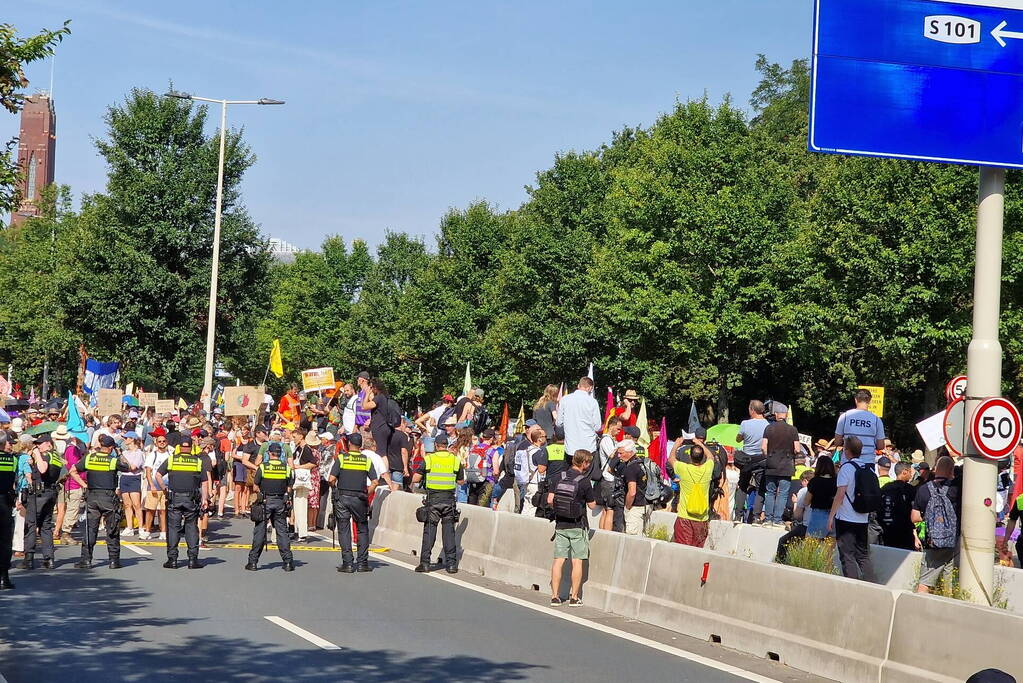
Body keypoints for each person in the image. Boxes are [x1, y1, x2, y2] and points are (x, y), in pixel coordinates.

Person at [69, 434, 129, 569]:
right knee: (112, 528)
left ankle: (86, 560)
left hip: (92, 497)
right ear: (111, 448)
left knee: (90, 529)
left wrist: (84, 485)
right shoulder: (113, 460)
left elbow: (73, 471)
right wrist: (119, 453)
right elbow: (128, 466)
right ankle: (113, 561)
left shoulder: (89, 458)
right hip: (108, 497)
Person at [547, 450, 597, 606]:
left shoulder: (558, 477)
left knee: (558, 561)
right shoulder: (584, 481)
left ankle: (555, 596)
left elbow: (550, 499)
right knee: (577, 562)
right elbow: (592, 505)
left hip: (560, 524)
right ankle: (574, 597)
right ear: (584, 463)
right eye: (588, 463)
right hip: (577, 525)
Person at [412, 432, 465, 573]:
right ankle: (452, 565)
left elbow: (415, 479)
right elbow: (461, 481)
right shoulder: (455, 460)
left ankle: (425, 564)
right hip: (448, 500)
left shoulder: (429, 459)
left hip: (433, 500)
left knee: (429, 532)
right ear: (446, 445)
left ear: (436, 445)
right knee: (449, 533)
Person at [327, 431, 379, 573]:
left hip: (343, 498)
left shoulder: (342, 459)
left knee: (344, 530)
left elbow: (331, 479)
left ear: (349, 444)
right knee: (362, 529)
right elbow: (375, 482)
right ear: (360, 445)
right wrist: (366, 493)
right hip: (359, 499)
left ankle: (348, 563)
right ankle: (362, 563)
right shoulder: (366, 460)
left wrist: (335, 489)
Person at [156, 436, 211, 569]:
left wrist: (164, 489)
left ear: (179, 447)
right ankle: (192, 560)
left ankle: (172, 560)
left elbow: (157, 475)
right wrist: (205, 499)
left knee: (173, 528)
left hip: (174, 497)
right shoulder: (197, 461)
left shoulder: (171, 460)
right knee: (191, 527)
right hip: (191, 499)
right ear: (191, 447)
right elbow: (204, 482)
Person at [827, 436, 875, 581]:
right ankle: (872, 585)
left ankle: (851, 586)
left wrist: (831, 516)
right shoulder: (868, 468)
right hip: (863, 517)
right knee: (862, 555)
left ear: (847, 451)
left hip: (846, 518)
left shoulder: (847, 468)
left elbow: (840, 495)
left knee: (847, 555)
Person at [912, 456, 960, 593]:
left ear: (935, 469)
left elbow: (914, 518)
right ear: (951, 470)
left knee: (925, 582)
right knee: (949, 583)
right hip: (953, 542)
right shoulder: (956, 488)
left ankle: (919, 608)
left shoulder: (923, 489)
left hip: (932, 541)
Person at [246, 442, 296, 572]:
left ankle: (253, 562)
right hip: (280, 501)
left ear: (269, 453)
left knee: (260, 531)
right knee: (282, 532)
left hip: (265, 501)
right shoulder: (287, 468)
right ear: (280, 455)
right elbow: (289, 487)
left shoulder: (263, 467)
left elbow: (256, 485)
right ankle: (288, 562)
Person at [20, 434, 61, 570]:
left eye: (40, 443)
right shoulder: (56, 456)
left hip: (39, 493)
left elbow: (43, 469)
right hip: (51, 492)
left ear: (48, 443)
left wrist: (37, 454)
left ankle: (29, 559)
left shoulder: (45, 455)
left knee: (31, 525)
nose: (37, 446)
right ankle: (48, 559)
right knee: (46, 525)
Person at [669, 441, 714, 546]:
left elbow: (671, 459)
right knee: (697, 553)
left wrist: (676, 444)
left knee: (682, 550)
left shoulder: (684, 469)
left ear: (690, 456)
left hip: (685, 518)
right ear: (702, 457)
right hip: (702, 519)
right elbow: (711, 457)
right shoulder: (707, 468)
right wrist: (700, 443)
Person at [834, 388, 886, 466]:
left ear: (855, 399)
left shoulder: (844, 416)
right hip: (867, 462)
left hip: (848, 461)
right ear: (869, 401)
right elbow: (881, 446)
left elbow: (837, 442)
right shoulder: (876, 420)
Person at [556, 377, 602, 458]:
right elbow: (597, 427)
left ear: (578, 386)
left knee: (572, 469)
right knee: (587, 469)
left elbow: (559, 423)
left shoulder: (565, 399)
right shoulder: (592, 402)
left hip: (571, 447)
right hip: (588, 446)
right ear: (590, 388)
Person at [611, 439, 648, 535]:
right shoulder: (642, 463)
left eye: (621, 453)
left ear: (630, 452)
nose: (619, 456)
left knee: (633, 537)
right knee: (643, 535)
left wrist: (627, 507)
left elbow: (632, 492)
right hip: (647, 505)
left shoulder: (631, 468)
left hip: (635, 507)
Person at [879, 462, 919, 551]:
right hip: (906, 531)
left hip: (887, 531)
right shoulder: (911, 490)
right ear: (904, 472)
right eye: (910, 472)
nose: (912, 475)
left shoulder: (886, 488)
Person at [142, 429, 171, 540]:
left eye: (163, 441)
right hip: (154, 486)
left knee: (163, 510)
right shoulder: (152, 455)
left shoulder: (170, 454)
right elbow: (148, 471)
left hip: (166, 486)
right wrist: (151, 485)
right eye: (159, 441)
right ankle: (147, 531)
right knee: (150, 510)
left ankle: (163, 531)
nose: (162, 443)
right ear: (156, 443)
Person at [595, 417, 622, 530]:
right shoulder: (606, 440)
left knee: (606, 510)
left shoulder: (611, 440)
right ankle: (607, 534)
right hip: (608, 478)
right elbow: (612, 455)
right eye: (618, 428)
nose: (619, 431)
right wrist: (620, 449)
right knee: (610, 509)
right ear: (611, 426)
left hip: (609, 479)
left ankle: (602, 533)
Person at [363, 378, 398, 463]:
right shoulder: (383, 397)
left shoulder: (379, 397)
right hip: (384, 427)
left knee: (381, 453)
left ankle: (385, 474)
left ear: (375, 387)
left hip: (380, 427)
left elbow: (364, 406)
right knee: (382, 451)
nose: (370, 389)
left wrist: (367, 393)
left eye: (371, 387)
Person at [802, 455, 837, 538]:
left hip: (818, 514)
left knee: (811, 545)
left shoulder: (815, 481)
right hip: (834, 515)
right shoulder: (837, 481)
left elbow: (806, 502)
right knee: (829, 547)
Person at [118, 432, 145, 537]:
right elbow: (121, 466)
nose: (125, 440)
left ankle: (141, 527)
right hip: (124, 478)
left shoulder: (139, 453)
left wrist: (125, 465)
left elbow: (134, 467)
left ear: (132, 439)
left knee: (136, 504)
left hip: (134, 478)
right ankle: (129, 527)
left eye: (126, 438)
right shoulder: (124, 452)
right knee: (127, 504)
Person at [0, 432, 16, 588]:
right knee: (5, 541)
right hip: (5, 501)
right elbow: (13, 479)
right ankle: (4, 577)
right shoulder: (12, 459)